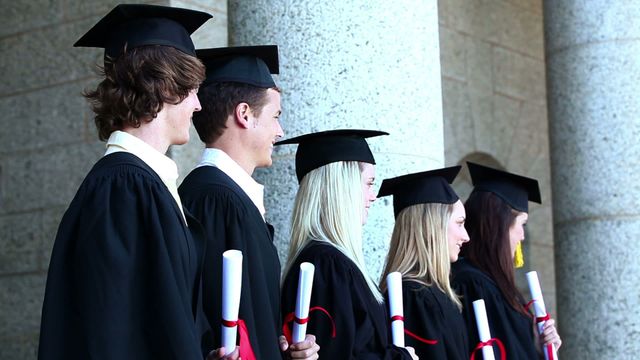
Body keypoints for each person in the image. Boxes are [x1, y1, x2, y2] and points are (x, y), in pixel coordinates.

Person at [39, 4, 212, 359]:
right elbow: (116, 332)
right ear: (164, 86)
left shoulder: (141, 183)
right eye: (193, 89)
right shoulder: (125, 187)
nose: (198, 105)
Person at [178, 46, 319, 359]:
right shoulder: (214, 199)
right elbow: (213, 323)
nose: (280, 131)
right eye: (276, 116)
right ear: (244, 115)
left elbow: (250, 317)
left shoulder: (226, 196)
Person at [278, 129, 417, 359]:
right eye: (368, 183)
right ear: (341, 187)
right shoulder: (328, 266)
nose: (373, 196)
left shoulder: (325, 261)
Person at [451, 162, 562, 359]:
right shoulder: (471, 283)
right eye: (522, 224)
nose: (522, 236)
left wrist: (540, 344)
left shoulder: (492, 283)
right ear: (499, 225)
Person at [378, 166, 470, 359]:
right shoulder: (413, 297)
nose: (466, 236)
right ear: (432, 227)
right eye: (460, 223)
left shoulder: (439, 294)